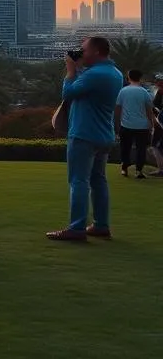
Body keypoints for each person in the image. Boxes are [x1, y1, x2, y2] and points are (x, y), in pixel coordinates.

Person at [47, 37, 123, 241]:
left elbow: (68, 92)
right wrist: (80, 68)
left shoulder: (95, 75)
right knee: (99, 180)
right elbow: (87, 88)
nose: (81, 53)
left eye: (84, 50)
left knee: (78, 180)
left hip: (83, 134)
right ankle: (101, 224)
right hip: (104, 134)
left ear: (97, 52)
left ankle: (77, 228)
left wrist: (71, 70)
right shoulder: (114, 73)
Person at [115, 70, 157, 179]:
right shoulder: (144, 92)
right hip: (142, 126)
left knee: (125, 147)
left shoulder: (123, 91)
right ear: (140, 78)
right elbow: (149, 111)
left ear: (128, 77)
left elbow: (118, 108)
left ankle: (124, 168)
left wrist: (117, 124)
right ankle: (139, 170)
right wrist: (151, 124)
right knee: (141, 149)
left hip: (126, 124)